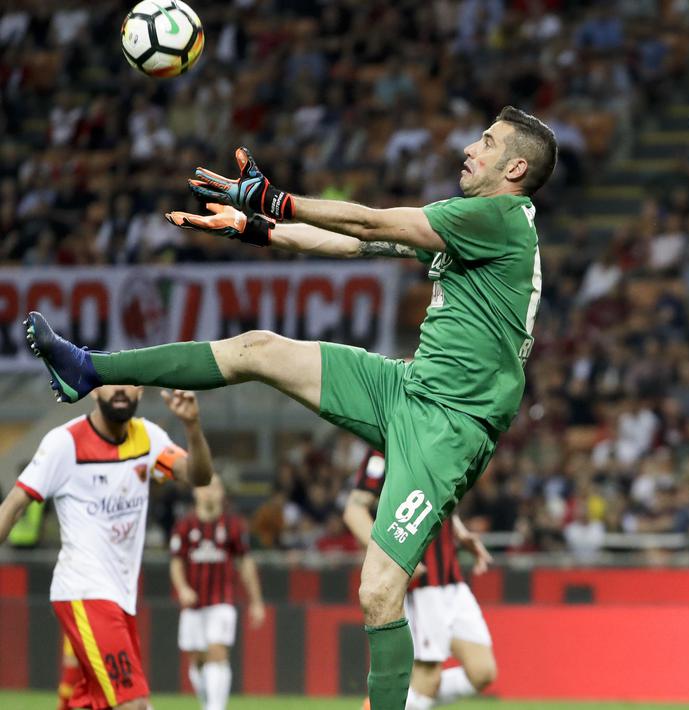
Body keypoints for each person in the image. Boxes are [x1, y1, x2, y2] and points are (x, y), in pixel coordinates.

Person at [24, 105, 555, 710]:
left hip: (449, 427)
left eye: (485, 142)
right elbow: (357, 242)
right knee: (260, 349)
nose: (470, 147)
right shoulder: (475, 224)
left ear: (514, 167)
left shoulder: (501, 219)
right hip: (407, 388)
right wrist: (258, 229)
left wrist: (277, 201)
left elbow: (367, 217)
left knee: (380, 590)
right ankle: (86, 369)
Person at [0, 386, 214, 710]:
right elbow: (13, 507)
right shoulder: (65, 443)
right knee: (136, 703)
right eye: (110, 380)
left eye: (127, 380)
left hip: (120, 596)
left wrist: (193, 426)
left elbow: (198, 476)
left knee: (87, 702)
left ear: (140, 391)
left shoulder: (148, 438)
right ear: (94, 390)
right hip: (84, 590)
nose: (119, 389)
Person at [344, 450, 496, 709]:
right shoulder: (386, 448)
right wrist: (392, 556)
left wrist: (459, 533)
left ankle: (389, 703)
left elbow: (439, 498)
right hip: (423, 584)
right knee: (427, 676)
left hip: (452, 578)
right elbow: (354, 510)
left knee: (482, 672)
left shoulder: (439, 436)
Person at [170, 475, 266, 710]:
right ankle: (208, 703)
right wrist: (182, 588)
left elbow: (245, 563)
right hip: (193, 605)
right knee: (197, 661)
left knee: (217, 652)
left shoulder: (233, 526)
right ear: (195, 492)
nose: (210, 492)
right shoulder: (184, 526)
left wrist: (256, 601)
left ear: (222, 493)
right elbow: (176, 562)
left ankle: (215, 707)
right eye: (205, 487)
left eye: (215, 487)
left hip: (222, 601)